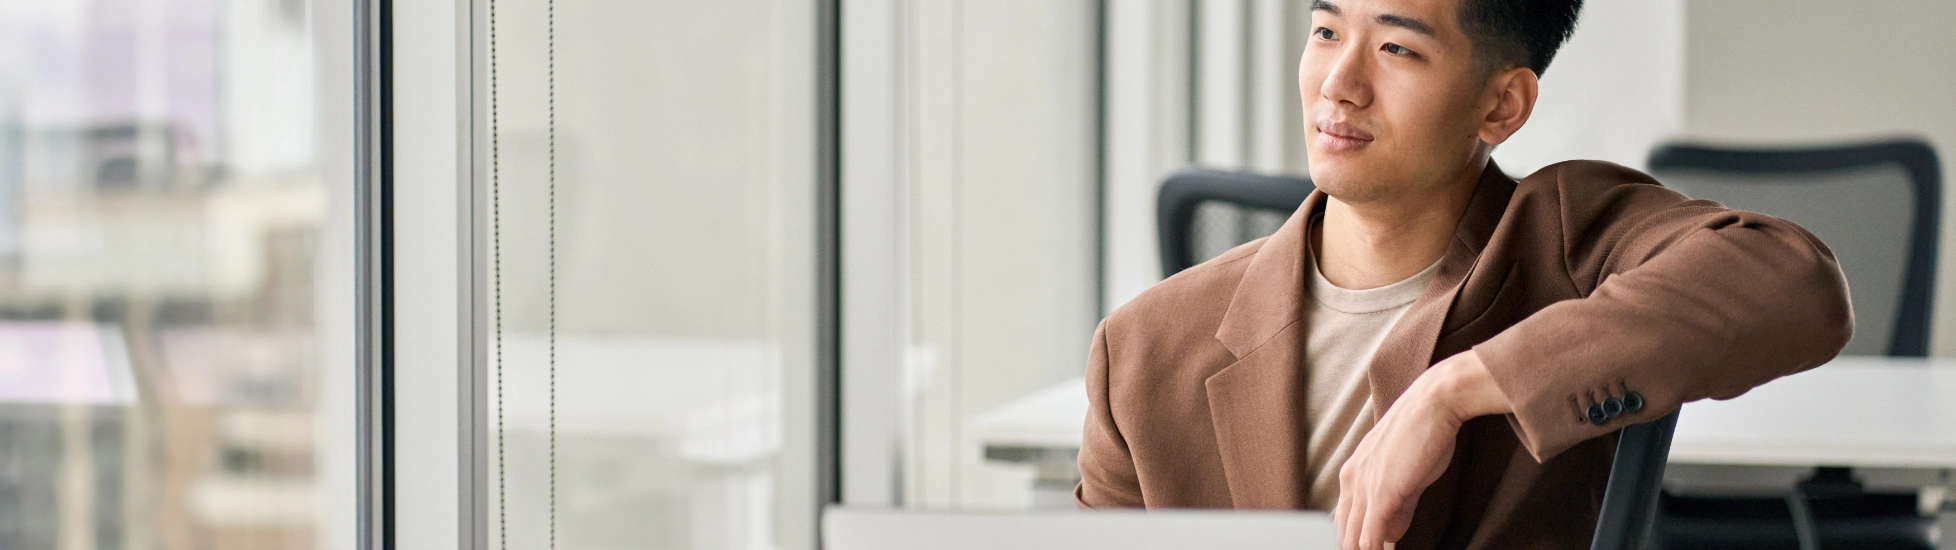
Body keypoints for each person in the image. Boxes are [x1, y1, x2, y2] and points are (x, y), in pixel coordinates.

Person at [1071, 0, 1854, 548]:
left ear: (1502, 106)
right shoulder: (1143, 350)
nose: (1339, 83)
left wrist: (1455, 393)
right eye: (1324, 30)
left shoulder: (1565, 241)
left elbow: (1794, 280)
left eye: (1396, 48)